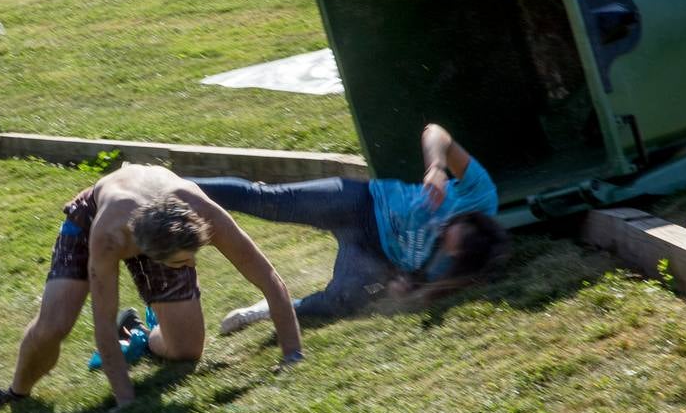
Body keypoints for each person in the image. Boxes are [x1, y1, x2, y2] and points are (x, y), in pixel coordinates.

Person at [0, 163, 305, 413]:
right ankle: (16, 392)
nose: (189, 268)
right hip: (91, 219)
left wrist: (292, 354)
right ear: (151, 255)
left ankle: (139, 334)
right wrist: (125, 399)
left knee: (187, 350)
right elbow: (101, 320)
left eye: (191, 259)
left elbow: (267, 278)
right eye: (179, 264)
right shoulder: (108, 235)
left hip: (160, 218)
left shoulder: (204, 215)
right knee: (55, 324)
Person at [195, 124, 508, 333]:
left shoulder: (461, 266)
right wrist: (437, 167)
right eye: (449, 232)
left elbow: (421, 285)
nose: (441, 238)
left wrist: (405, 290)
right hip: (363, 203)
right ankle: (174, 186)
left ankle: (266, 310)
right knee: (269, 201)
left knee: (338, 303)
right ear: (470, 219)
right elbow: (435, 132)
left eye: (447, 249)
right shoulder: (479, 193)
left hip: (373, 257)